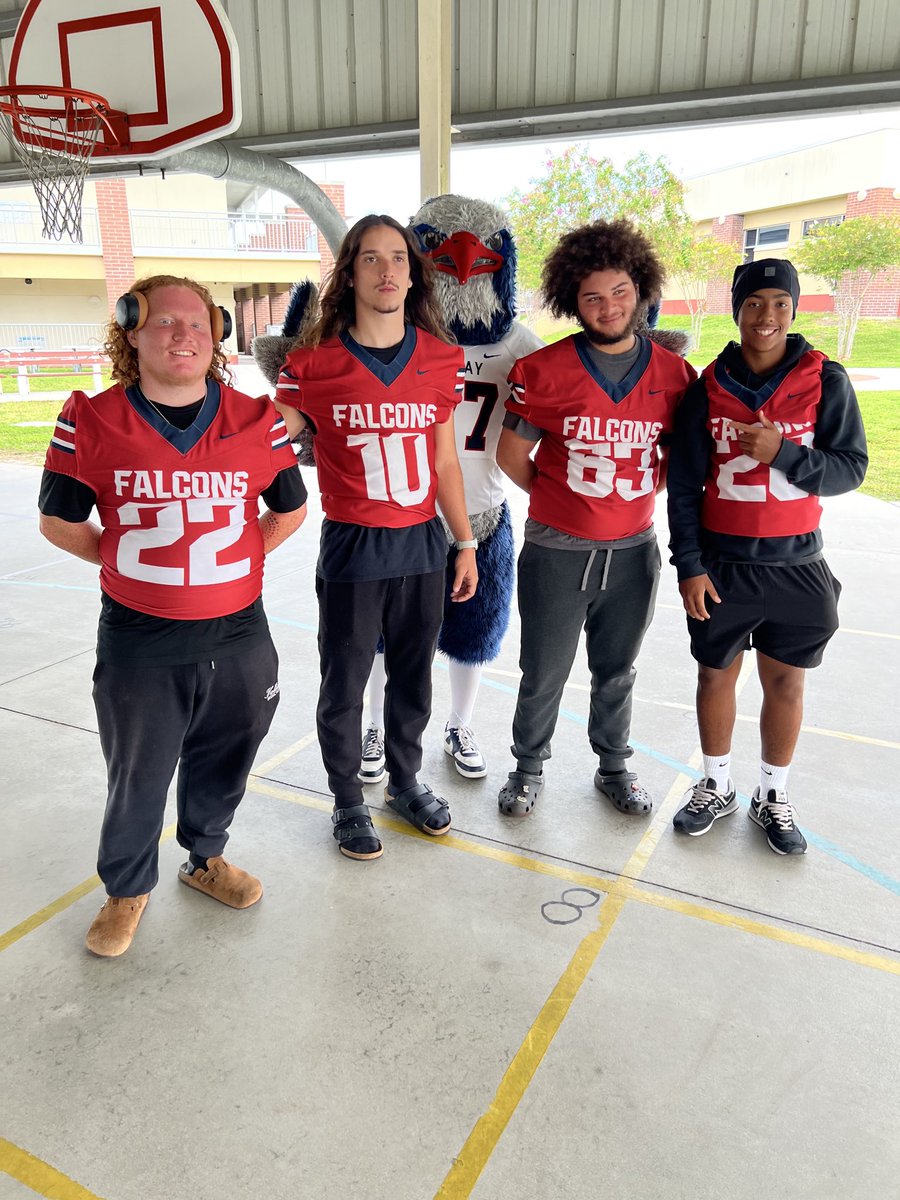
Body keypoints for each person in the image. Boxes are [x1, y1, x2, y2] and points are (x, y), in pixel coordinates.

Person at [38, 274, 308, 956]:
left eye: (196, 321)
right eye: (163, 321)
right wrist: (126, 562)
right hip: (141, 633)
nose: (182, 333)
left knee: (229, 753)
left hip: (240, 629)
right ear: (131, 329)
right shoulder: (90, 419)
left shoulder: (256, 420)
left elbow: (291, 508)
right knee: (139, 769)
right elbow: (58, 521)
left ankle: (206, 858)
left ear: (218, 331)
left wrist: (243, 558)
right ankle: (126, 889)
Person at [274, 214, 477, 862]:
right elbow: (260, 444)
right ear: (350, 272)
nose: (387, 269)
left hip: (421, 544)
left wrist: (465, 540)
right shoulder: (312, 364)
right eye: (371, 258)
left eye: (398, 257)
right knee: (345, 682)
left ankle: (405, 782)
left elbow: (445, 462)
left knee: (413, 678)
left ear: (413, 272)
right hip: (353, 544)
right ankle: (346, 800)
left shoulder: (442, 358)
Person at [496, 219, 696, 818]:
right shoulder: (545, 371)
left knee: (616, 671)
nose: (607, 307)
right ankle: (528, 769)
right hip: (558, 549)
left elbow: (680, 463)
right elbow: (511, 455)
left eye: (618, 292)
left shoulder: (674, 375)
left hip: (634, 548)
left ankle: (614, 766)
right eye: (591, 296)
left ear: (640, 291)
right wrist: (562, 501)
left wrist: (631, 501)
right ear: (571, 301)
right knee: (544, 671)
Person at [668, 258, 867, 854]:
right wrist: (691, 565)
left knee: (785, 684)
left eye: (780, 303)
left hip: (796, 562)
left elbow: (850, 468)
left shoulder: (825, 379)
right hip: (723, 563)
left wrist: (783, 452)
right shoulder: (706, 388)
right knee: (714, 674)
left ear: (795, 309)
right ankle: (716, 784)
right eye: (755, 303)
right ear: (736, 309)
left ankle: (772, 794)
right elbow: (682, 486)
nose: (767, 315)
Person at [357, 195, 544, 785]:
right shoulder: (390, 336)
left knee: (473, 636)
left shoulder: (520, 343)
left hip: (484, 509)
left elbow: (576, 388)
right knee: (384, 638)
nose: (462, 264)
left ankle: (459, 723)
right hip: (400, 513)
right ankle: (375, 728)